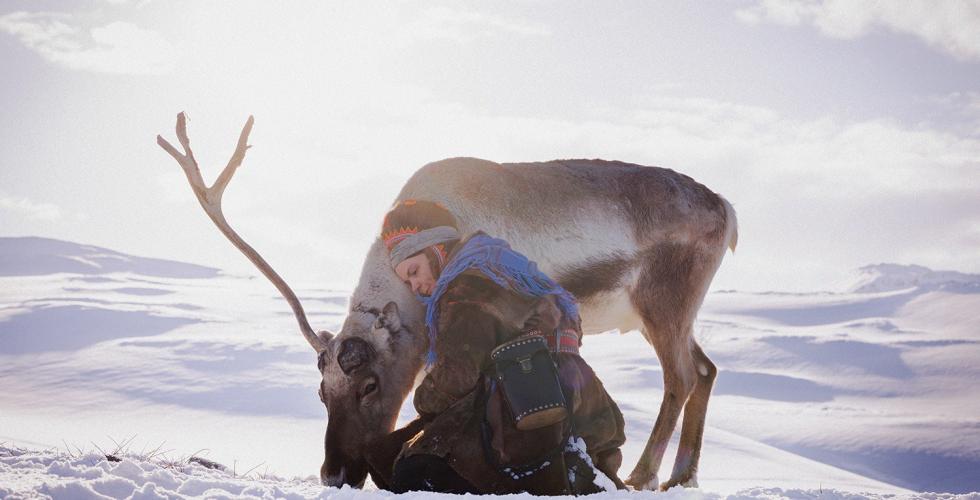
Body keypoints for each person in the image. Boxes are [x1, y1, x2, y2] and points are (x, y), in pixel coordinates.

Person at [365, 199, 626, 495]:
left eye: (414, 271)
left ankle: (565, 473)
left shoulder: (466, 289)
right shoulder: (503, 271)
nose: (416, 287)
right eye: (407, 282)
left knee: (409, 470)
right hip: (577, 408)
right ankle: (579, 466)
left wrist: (423, 399)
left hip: (521, 426)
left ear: (436, 249)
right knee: (390, 453)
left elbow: (455, 379)